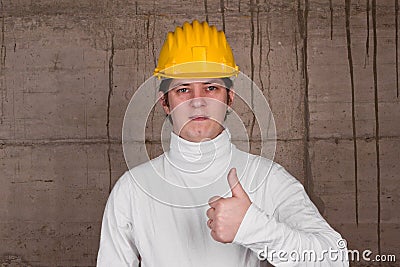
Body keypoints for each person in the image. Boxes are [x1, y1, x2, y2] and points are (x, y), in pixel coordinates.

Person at [97, 20, 349, 266]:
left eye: (210, 88)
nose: (197, 102)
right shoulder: (132, 189)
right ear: (165, 103)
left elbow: (335, 259)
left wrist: (253, 227)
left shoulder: (266, 178)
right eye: (183, 90)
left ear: (229, 98)